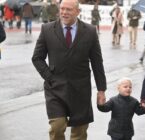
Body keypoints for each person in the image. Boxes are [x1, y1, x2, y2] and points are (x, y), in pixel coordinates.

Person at [31, 0, 107, 139]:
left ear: (78, 12)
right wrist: (50, 77)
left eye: (69, 9)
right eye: (62, 9)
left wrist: (101, 90)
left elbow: (97, 63)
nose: (64, 12)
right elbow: (37, 58)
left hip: (80, 90)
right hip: (55, 88)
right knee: (57, 126)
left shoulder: (90, 31)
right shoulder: (47, 29)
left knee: (79, 132)